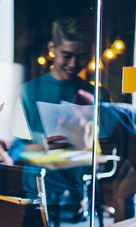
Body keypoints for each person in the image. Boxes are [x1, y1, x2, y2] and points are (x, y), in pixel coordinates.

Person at [11, 17, 111, 223]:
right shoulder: (29, 91)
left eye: (82, 57)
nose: (74, 64)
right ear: (52, 48)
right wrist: (40, 146)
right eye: (67, 55)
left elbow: (106, 146)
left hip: (82, 194)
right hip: (40, 193)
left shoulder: (96, 94)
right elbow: (13, 149)